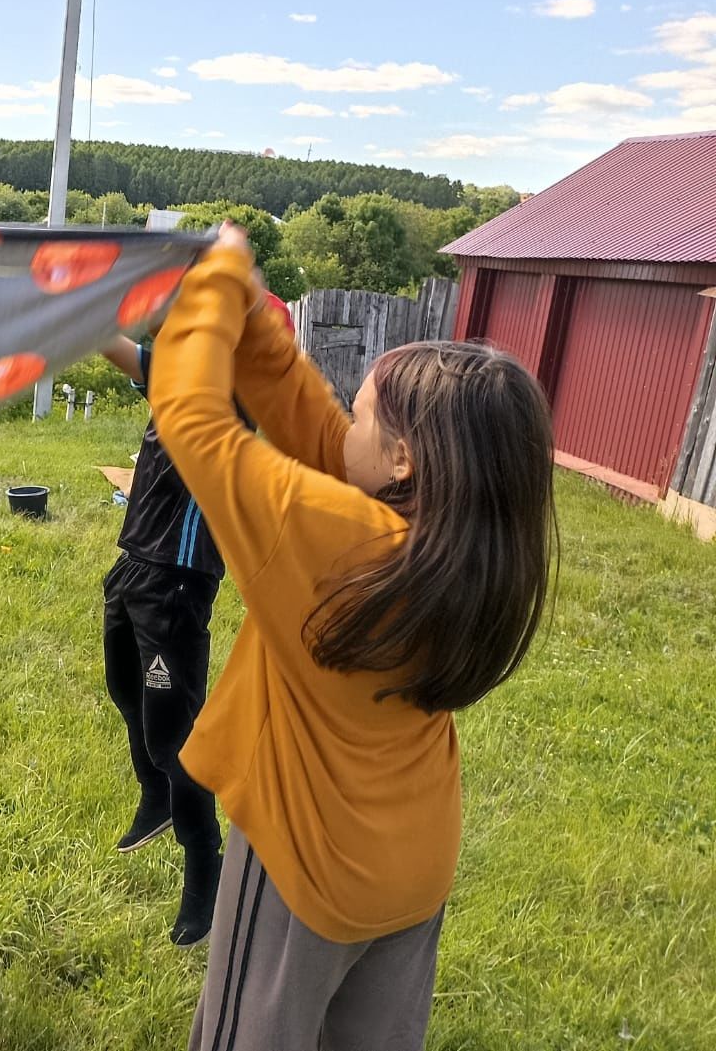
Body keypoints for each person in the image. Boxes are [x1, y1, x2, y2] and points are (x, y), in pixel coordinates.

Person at [146, 226, 555, 1050]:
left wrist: (211, 289)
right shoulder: (464, 550)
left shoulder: (335, 542)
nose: (346, 422)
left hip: (310, 869)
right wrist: (256, 321)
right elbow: (324, 436)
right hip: (412, 864)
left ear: (404, 460)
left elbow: (191, 418)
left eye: (364, 412)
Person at [99, 294, 293, 949]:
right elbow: (120, 346)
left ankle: (203, 862)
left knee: (175, 733)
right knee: (123, 685)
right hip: (134, 565)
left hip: (177, 587)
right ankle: (155, 796)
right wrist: (79, 312)